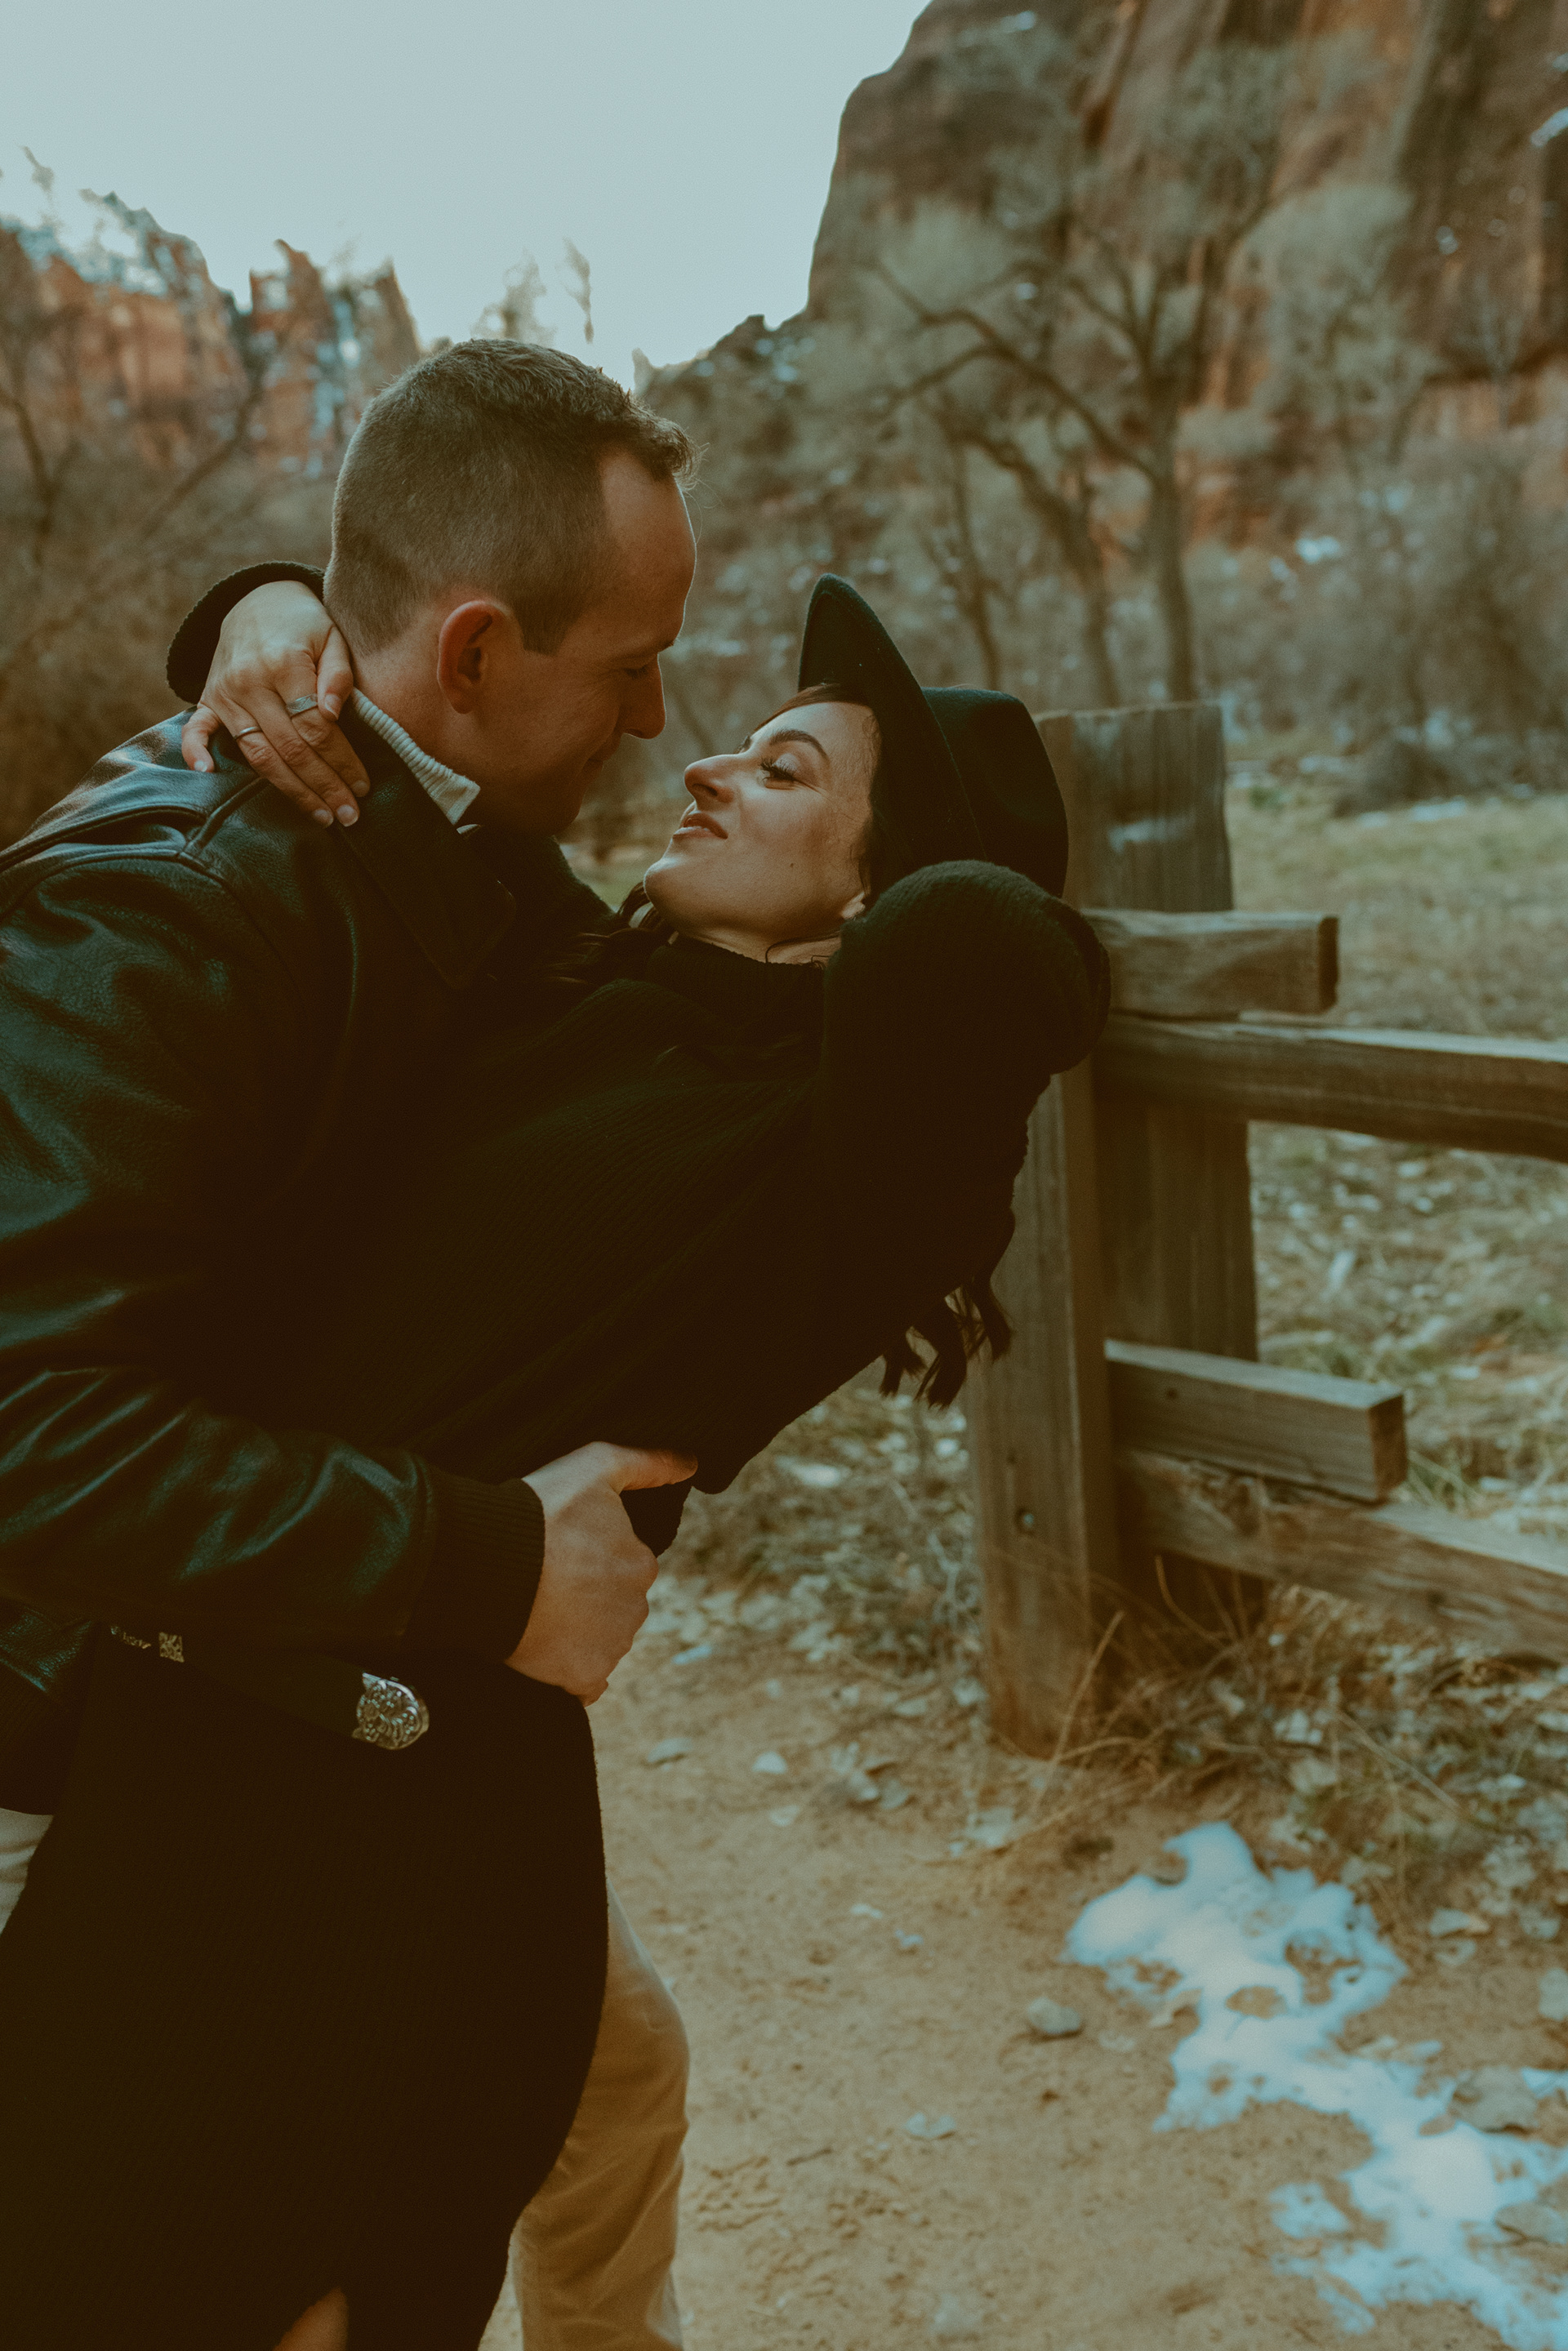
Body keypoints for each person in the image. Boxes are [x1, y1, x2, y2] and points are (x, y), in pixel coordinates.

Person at [0, 533, 1108, 2347]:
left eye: (784, 767)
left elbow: (980, 949)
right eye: (720, 728)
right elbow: (398, 761)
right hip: (237, 1753)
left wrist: (918, 864)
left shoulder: (829, 1161)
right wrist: (272, 619)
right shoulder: (563, 959)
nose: (701, 758)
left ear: (875, 894)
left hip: (388, 1806)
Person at [0, 341, 706, 2351]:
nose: (662, 714)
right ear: (474, 649)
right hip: (70, 1755)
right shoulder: (168, 914)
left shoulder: (445, 837)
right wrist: (485, 1562)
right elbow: (21, 1434)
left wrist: (251, 606)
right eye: (631, 666)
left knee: (604, 2067)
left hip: (284, 1676)